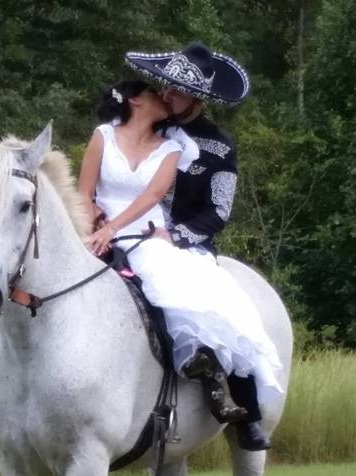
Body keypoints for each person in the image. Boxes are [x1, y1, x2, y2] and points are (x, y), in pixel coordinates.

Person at [78, 61, 283, 452]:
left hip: (181, 240)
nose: (168, 96)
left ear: (197, 100)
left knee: (214, 303)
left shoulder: (219, 146)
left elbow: (219, 210)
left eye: (177, 92)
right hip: (118, 230)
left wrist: (174, 234)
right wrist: (97, 215)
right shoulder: (147, 129)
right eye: (165, 90)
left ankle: (245, 411)